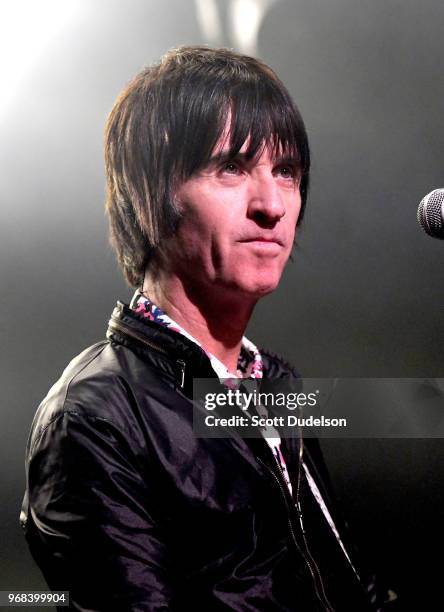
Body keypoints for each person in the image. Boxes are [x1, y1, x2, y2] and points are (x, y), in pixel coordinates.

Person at [21, 46, 387, 611]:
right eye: (232, 168)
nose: (272, 204)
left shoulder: (276, 384)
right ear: (150, 196)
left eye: (286, 172)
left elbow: (341, 582)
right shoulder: (93, 416)